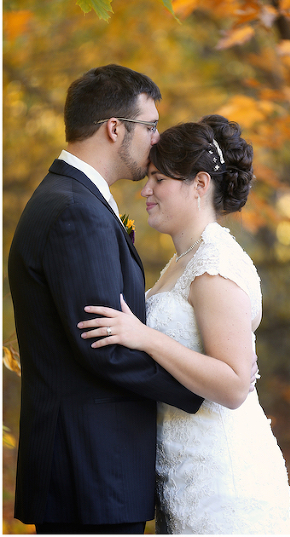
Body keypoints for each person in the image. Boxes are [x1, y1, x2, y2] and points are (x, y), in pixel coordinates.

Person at [7, 64, 204, 534]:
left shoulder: (72, 199)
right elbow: (106, 347)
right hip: (90, 471)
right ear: (115, 129)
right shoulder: (75, 210)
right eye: (150, 125)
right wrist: (202, 388)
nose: (157, 138)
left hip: (88, 469)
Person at [78, 116, 290, 534]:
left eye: (159, 179)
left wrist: (146, 338)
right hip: (183, 471)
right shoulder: (181, 262)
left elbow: (234, 385)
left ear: (199, 184)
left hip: (221, 478)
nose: (146, 190)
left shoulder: (215, 264)